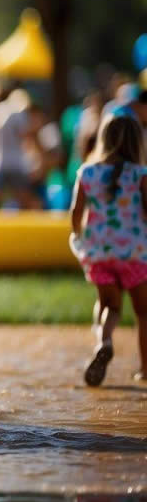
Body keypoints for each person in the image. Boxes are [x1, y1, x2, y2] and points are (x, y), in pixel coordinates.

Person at [68, 112, 147, 386]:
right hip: (135, 254)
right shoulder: (141, 175)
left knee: (109, 306)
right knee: (143, 312)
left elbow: (75, 213)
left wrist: (78, 235)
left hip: (99, 253)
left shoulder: (87, 172)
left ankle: (104, 341)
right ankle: (145, 369)